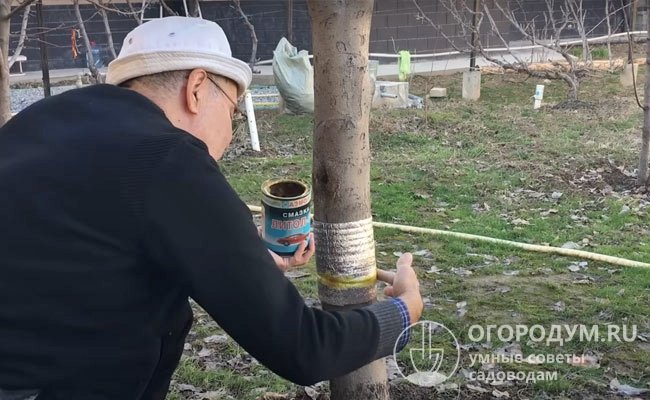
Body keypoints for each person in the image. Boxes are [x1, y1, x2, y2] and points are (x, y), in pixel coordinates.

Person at [0, 17, 423, 400]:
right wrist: (403, 313)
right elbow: (303, 348)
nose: (229, 131)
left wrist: (230, 254)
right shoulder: (169, 157)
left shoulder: (38, 122)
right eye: (234, 111)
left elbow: (90, 249)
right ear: (197, 87)